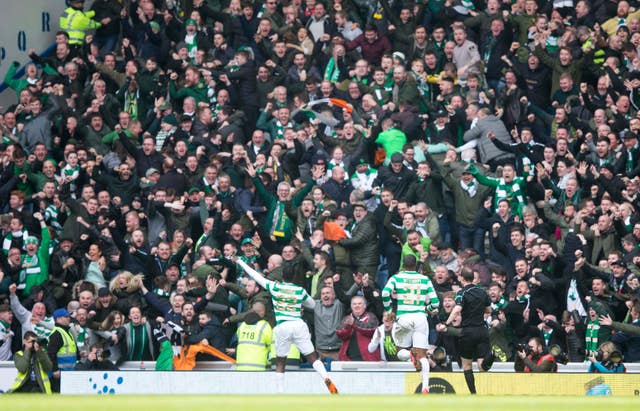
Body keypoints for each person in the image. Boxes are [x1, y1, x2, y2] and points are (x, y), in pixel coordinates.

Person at [234, 257, 339, 394]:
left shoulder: (275, 287)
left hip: (282, 326)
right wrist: (300, 303)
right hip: (298, 324)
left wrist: (240, 261)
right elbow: (313, 305)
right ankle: (326, 378)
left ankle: (281, 391)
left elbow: (256, 276)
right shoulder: (299, 290)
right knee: (312, 357)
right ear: (294, 276)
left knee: (280, 361)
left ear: (282, 276)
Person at [381, 254, 439, 394]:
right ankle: (425, 387)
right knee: (423, 356)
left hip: (404, 317)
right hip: (420, 318)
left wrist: (389, 310)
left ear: (403, 265)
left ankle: (410, 355)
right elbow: (436, 303)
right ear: (416, 265)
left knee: (400, 352)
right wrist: (427, 309)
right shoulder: (425, 279)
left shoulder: (396, 278)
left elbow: (384, 293)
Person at [438, 267, 491, 394]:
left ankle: (473, 393)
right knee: (481, 366)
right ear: (473, 278)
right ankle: (492, 356)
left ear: (461, 278)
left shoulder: (462, 293)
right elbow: (488, 310)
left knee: (467, 365)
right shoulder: (483, 292)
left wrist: (446, 323)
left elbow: (457, 310)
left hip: (468, 332)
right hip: (482, 331)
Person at [46, 308, 78, 392]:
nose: (69, 318)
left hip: (67, 373)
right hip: (59, 374)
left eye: (68, 316)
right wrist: (55, 369)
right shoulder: (57, 333)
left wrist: (79, 354)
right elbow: (50, 354)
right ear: (58, 319)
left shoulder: (66, 331)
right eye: (66, 316)